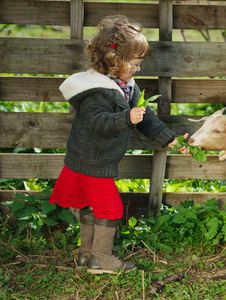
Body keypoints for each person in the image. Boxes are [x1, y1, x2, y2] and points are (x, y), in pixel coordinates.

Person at [50, 15, 189, 274]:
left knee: (93, 206)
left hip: (98, 161)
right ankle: (101, 259)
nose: (138, 69)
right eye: (136, 64)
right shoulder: (96, 91)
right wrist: (127, 117)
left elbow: (147, 121)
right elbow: (99, 123)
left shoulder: (127, 87)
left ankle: (88, 255)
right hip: (91, 161)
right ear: (116, 61)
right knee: (108, 209)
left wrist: (170, 139)